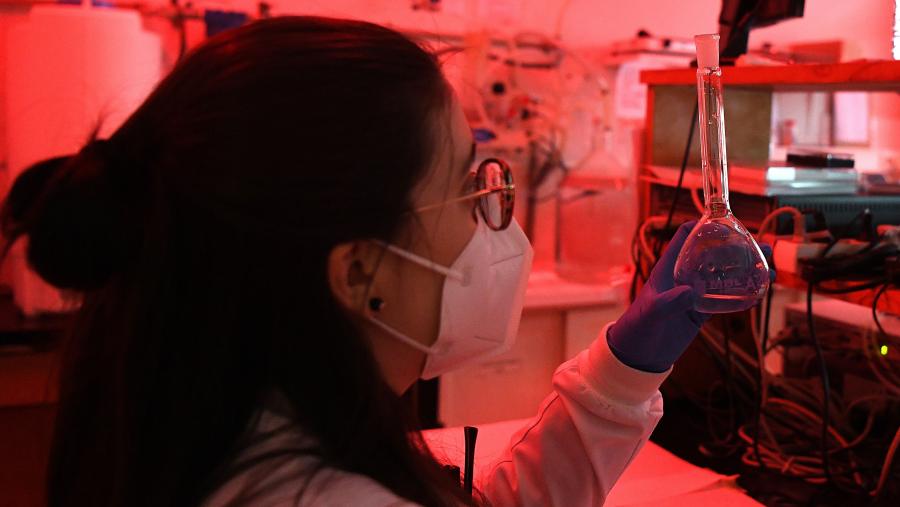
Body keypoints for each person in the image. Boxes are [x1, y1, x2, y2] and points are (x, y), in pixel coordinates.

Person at [1, 16, 763, 507]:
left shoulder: (219, 426)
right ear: (360, 272)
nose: (493, 217)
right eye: (470, 187)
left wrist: (625, 367)